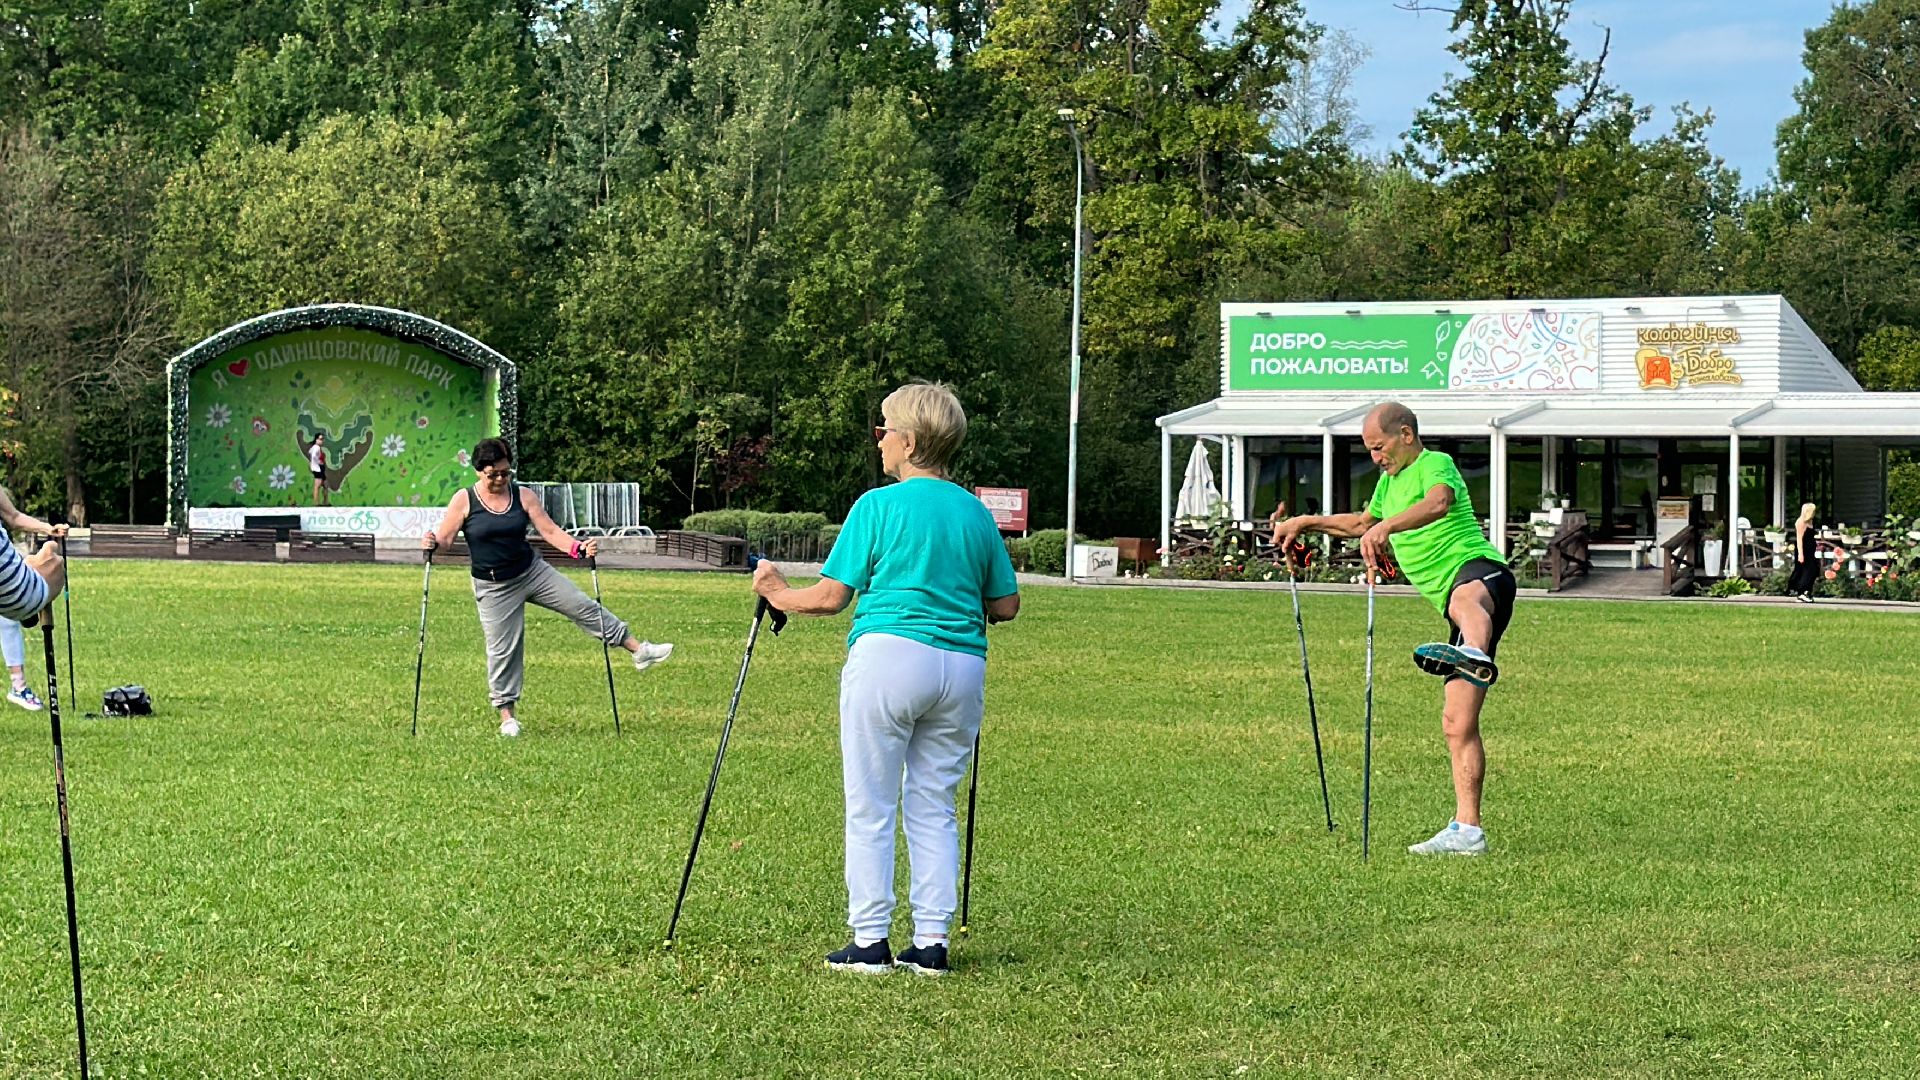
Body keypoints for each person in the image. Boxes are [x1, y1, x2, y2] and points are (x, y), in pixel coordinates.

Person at [751, 382, 1019, 976]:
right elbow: (1005, 606)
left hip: (890, 656)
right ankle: (930, 942)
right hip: (961, 668)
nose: (879, 442)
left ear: (912, 441)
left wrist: (775, 592)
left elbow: (829, 597)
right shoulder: (976, 511)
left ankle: (870, 938)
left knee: (870, 801)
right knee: (933, 804)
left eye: (885, 430)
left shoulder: (876, 506)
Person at [1273, 402, 1515, 856]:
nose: (1376, 458)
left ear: (1406, 434)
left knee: (1466, 601)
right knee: (1455, 722)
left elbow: (1438, 503)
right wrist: (1305, 521)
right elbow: (1362, 523)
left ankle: (1475, 654)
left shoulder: (1432, 464)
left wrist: (1389, 526)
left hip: (1482, 573)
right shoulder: (1388, 483)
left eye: (1379, 447)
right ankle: (1468, 832)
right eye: (1369, 451)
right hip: (1454, 603)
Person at [421, 437, 673, 736]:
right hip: (493, 586)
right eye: (493, 474)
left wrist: (578, 549)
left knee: (581, 605)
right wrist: (433, 543)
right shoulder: (464, 500)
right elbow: (446, 540)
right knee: (503, 650)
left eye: (505, 472)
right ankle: (507, 717)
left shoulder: (523, 496)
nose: (500, 479)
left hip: (531, 572)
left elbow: (550, 530)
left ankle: (638, 650)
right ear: (479, 471)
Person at [0, 487, 65, 710]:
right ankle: (28, 612)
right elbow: (13, 517)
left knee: (30, 561)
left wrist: (47, 527)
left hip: (11, 593)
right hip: (25, 594)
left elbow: (15, 517)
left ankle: (19, 687)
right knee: (52, 555)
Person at [1787, 501, 1819, 602]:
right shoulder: (1800, 522)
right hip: (1803, 549)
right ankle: (1801, 591)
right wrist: (1801, 554)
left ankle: (1807, 591)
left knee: (1814, 569)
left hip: (1810, 549)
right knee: (1807, 570)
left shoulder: (1810, 521)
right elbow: (1799, 539)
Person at [309, 432, 329, 506]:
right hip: (317, 468)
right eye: (320, 439)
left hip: (320, 467)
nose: (322, 441)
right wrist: (318, 462)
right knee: (317, 485)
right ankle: (316, 503)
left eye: (322, 439)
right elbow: (313, 456)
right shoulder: (316, 447)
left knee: (325, 485)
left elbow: (311, 453)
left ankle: (325, 502)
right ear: (316, 440)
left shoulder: (317, 448)